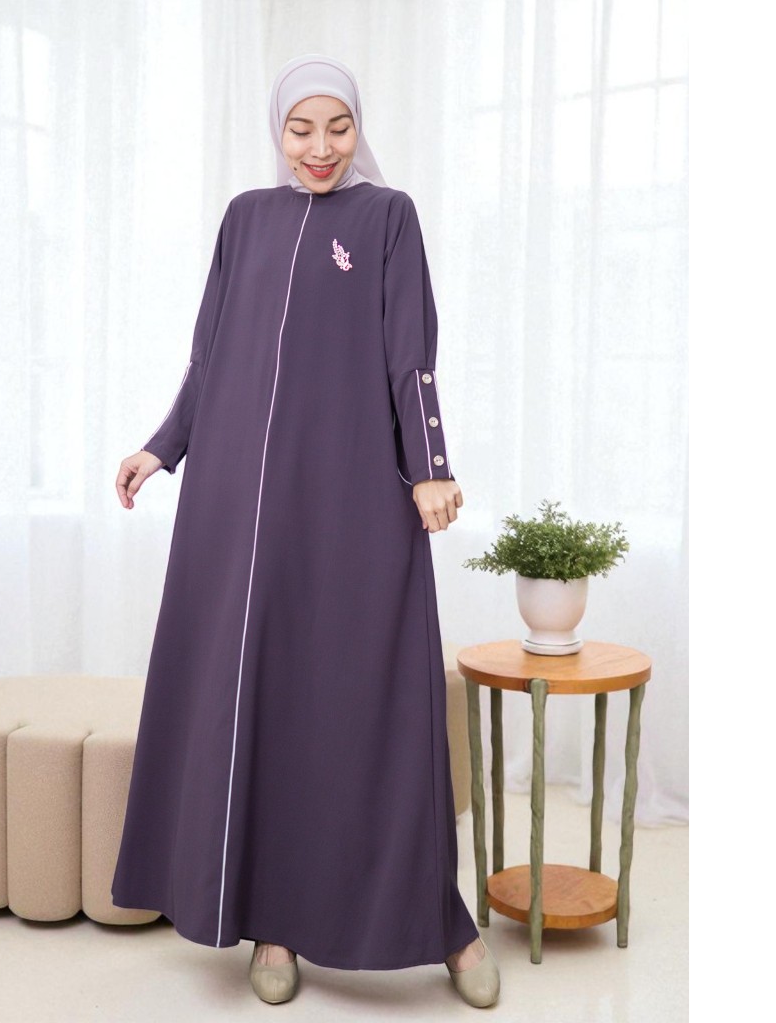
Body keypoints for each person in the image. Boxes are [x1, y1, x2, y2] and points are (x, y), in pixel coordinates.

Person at [110, 54, 501, 1009]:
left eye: (337, 127)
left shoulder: (387, 217)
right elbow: (208, 357)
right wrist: (163, 447)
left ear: (358, 129)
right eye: (301, 129)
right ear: (278, 132)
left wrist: (430, 467)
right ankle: (272, 925)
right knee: (261, 703)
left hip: (351, 500)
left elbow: (411, 356)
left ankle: (441, 925)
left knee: (374, 702)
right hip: (239, 507)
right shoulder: (246, 218)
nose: (320, 147)